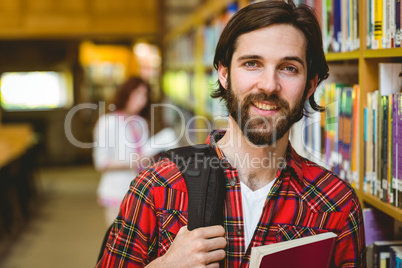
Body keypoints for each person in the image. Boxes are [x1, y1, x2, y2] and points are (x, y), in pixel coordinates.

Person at [96, 1, 366, 267]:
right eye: (252, 63)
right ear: (224, 74)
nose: (269, 85)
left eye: (288, 68)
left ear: (310, 86)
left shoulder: (336, 203)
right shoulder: (157, 186)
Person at [93, 76, 151, 225]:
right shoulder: (108, 122)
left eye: (145, 96)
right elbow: (101, 163)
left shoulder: (141, 123)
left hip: (140, 192)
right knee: (117, 242)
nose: (141, 101)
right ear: (126, 94)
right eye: (137, 95)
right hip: (116, 191)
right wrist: (132, 162)